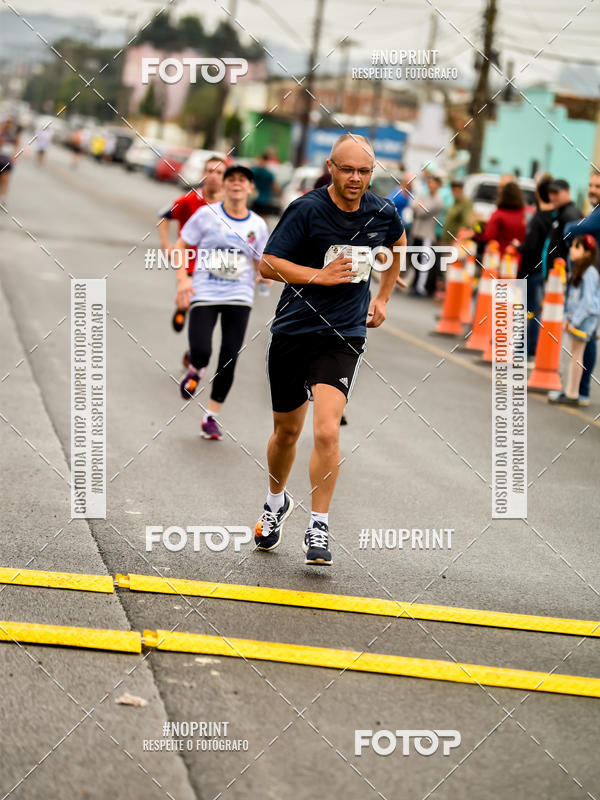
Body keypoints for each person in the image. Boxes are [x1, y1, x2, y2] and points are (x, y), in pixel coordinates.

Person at [254, 133, 405, 566]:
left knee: (326, 431)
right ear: (331, 168)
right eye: (348, 169)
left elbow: (397, 245)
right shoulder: (306, 209)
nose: (356, 178)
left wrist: (383, 298)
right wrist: (318, 276)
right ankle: (276, 501)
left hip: (343, 334)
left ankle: (318, 525)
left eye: (364, 171)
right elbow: (268, 264)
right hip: (293, 330)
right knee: (286, 432)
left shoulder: (382, 212)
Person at [172, 165, 270, 440]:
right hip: (205, 292)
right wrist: (183, 279)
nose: (237, 184)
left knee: (229, 358)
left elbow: (260, 260)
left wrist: (265, 276)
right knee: (201, 349)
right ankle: (196, 368)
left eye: (243, 180)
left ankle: (210, 417)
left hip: (240, 296)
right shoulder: (207, 215)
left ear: (250, 188)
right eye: (232, 179)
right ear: (225, 186)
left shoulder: (258, 225)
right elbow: (181, 245)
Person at [158, 156, 226, 337]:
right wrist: (166, 245)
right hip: (190, 263)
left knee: (208, 311)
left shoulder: (229, 205)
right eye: (210, 171)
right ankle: (183, 310)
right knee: (193, 306)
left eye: (219, 172)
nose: (214, 176)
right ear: (204, 174)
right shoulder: (189, 199)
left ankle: (196, 346)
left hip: (217, 267)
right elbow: (164, 216)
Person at [549, 235, 599, 406]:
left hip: (585, 318)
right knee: (574, 355)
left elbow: (587, 301)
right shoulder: (578, 269)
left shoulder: (589, 272)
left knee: (576, 355)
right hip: (578, 317)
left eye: (577, 247)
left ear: (588, 253)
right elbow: (572, 298)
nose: (571, 249)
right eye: (572, 246)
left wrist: (574, 321)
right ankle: (570, 390)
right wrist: (568, 317)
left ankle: (572, 393)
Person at [564, 170, 600, 405]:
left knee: (585, 342)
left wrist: (572, 227)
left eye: (598, 186)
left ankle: (580, 391)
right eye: (591, 185)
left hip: (594, 285)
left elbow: (572, 229)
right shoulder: (595, 212)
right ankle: (576, 391)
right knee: (583, 343)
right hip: (589, 280)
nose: (592, 190)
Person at [517, 174, 555, 366]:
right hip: (541, 270)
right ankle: (528, 348)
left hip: (531, 270)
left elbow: (531, 245)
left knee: (530, 310)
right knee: (533, 310)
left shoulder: (539, 218)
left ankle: (527, 349)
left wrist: (519, 246)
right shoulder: (554, 217)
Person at [410, 174, 444, 296]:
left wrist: (418, 206)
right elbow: (413, 205)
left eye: (433, 183)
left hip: (427, 235)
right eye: (429, 182)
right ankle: (415, 284)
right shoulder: (425, 196)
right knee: (415, 260)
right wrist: (417, 206)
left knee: (423, 262)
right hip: (417, 233)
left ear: (438, 185)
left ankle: (420, 288)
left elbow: (423, 212)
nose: (430, 185)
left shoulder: (438, 200)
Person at [541, 179, 582, 274]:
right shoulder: (560, 213)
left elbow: (577, 248)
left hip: (562, 275)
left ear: (567, 192)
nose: (553, 197)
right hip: (554, 274)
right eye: (550, 193)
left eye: (556, 192)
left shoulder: (570, 215)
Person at [475, 180, 526, 254]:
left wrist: (478, 227)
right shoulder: (524, 214)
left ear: (503, 196)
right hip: (519, 256)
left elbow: (487, 236)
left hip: (501, 256)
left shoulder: (498, 214)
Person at [440, 179, 473, 244]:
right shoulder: (454, 202)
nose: (456, 192)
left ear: (462, 190)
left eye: (458, 190)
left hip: (455, 242)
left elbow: (466, 223)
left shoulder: (466, 203)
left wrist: (458, 240)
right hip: (447, 240)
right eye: (454, 190)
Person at [251, 152, 281, 219]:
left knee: (254, 218)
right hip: (265, 200)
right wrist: (280, 195)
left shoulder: (254, 171)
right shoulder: (268, 173)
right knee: (263, 219)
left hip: (256, 199)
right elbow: (275, 187)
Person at [0, 118, 20, 202]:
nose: (8, 125)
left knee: (5, 179)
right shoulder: (1, 133)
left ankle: (3, 198)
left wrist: (14, 157)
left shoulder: (14, 135)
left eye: (10, 123)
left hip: (7, 160)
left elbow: (17, 146)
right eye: (7, 123)